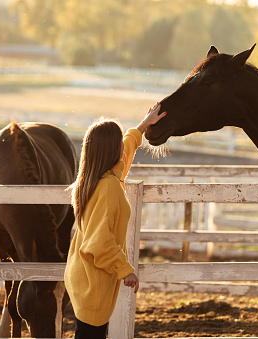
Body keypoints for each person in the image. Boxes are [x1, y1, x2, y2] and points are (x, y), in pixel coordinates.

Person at [64, 103, 166, 339]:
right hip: (94, 285)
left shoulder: (94, 178)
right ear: (111, 150)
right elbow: (99, 243)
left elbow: (126, 152)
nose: (123, 144)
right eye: (119, 140)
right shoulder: (109, 187)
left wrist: (142, 126)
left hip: (82, 275)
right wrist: (125, 270)